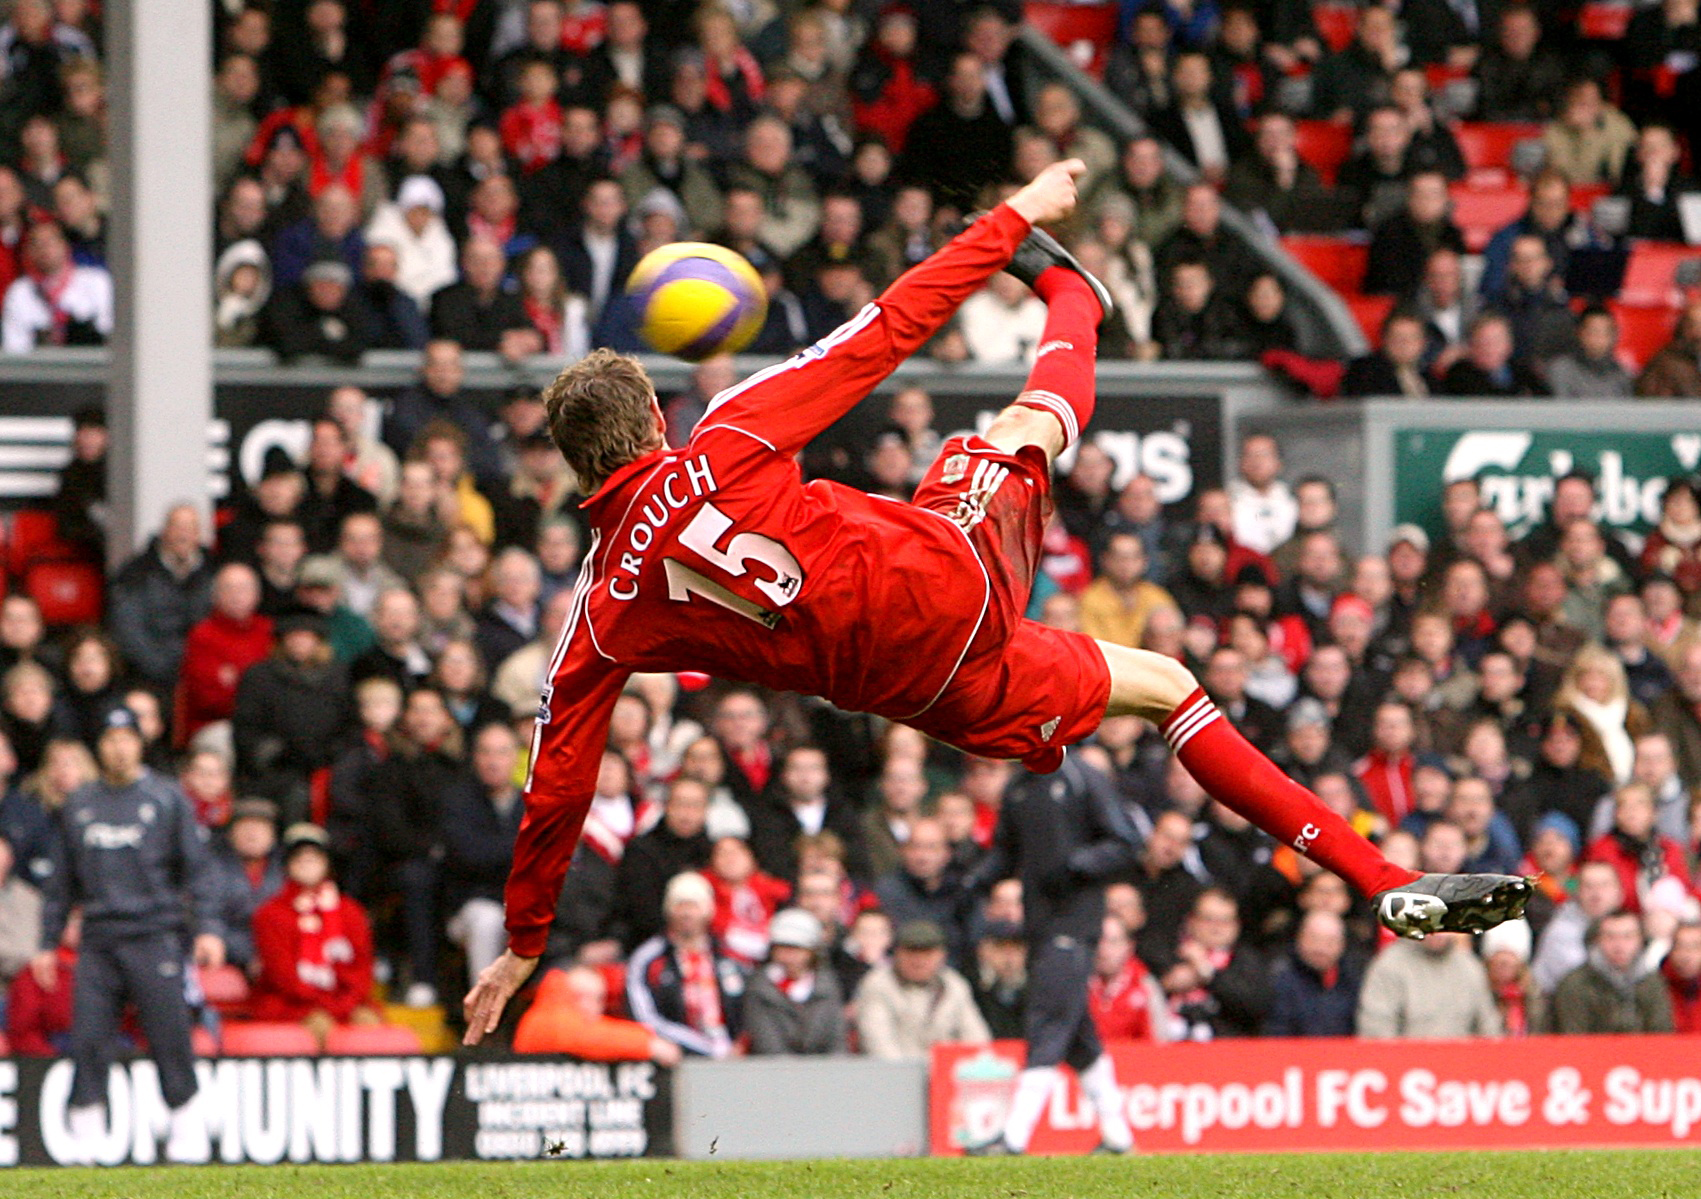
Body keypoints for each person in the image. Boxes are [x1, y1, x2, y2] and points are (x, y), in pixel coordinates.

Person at [463, 160, 1528, 1043]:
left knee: (1164, 686)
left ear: (574, 468)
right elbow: (886, 327)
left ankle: (1389, 879)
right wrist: (1010, 220)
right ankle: (1075, 295)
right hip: (948, 585)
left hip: (925, 698)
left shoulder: (600, 611)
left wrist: (522, 944)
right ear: (654, 410)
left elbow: (557, 785)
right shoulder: (728, 431)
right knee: (1019, 427)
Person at [34, 706, 225, 1164]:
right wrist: (46, 941)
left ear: (140, 743)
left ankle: (185, 1123)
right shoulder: (78, 804)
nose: (118, 748)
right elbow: (61, 883)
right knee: (88, 1036)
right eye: (109, 739)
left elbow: (198, 870)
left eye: (127, 738)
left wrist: (209, 929)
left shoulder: (166, 798)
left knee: (169, 1033)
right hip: (98, 938)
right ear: (97, 747)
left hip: (155, 933)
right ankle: (86, 1128)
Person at [966, 752, 1142, 1155]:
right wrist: (977, 877)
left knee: (1046, 1018)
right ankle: (1118, 1137)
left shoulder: (1083, 778)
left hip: (1076, 922)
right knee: (1078, 1035)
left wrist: (1081, 864)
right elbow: (1006, 854)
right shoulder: (1019, 786)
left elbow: (1126, 841)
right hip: (1039, 924)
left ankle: (1014, 1136)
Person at [247, 822, 379, 1040]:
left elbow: (361, 966)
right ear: (287, 865)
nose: (307, 864)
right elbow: (281, 974)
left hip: (343, 1002)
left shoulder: (350, 911)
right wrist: (324, 1003)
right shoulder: (270, 913)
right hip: (291, 1004)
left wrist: (344, 1002)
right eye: (299, 858)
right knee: (320, 1025)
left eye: (315, 857)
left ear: (326, 864)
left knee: (369, 1024)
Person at [625, 870, 745, 1059]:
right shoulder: (648, 958)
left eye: (694, 905)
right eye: (680, 905)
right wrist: (705, 1048)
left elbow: (748, 1007)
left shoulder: (729, 955)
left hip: (733, 1060)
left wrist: (742, 1044)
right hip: (676, 1058)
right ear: (669, 910)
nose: (687, 913)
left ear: (707, 911)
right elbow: (644, 1017)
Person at [854, 918, 990, 1061]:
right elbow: (878, 1043)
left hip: (948, 1074)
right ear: (897, 954)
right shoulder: (877, 984)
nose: (919, 961)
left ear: (942, 955)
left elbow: (977, 1040)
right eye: (911, 953)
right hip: (894, 1075)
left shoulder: (954, 985)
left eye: (927, 954)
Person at [514, 964, 684, 1062]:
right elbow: (585, 1036)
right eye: (594, 998)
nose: (598, 1008)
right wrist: (648, 1044)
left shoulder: (549, 1012)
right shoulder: (548, 1018)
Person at [1356, 932, 1503, 1038]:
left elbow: (1489, 1027)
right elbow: (1376, 1029)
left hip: (1462, 1071)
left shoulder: (1469, 966)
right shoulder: (1389, 965)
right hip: (1408, 1071)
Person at [1550, 910, 1675, 1034]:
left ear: (1641, 941)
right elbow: (1572, 1037)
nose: (1619, 945)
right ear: (1597, 940)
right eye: (1610, 937)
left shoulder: (1652, 982)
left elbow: (1662, 1032)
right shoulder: (1576, 984)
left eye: (1628, 936)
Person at [742, 907, 847, 1055]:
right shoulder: (760, 989)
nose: (788, 956)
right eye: (782, 948)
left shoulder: (827, 986)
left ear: (812, 952)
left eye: (797, 949)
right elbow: (768, 1044)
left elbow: (837, 1040)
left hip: (824, 1072)